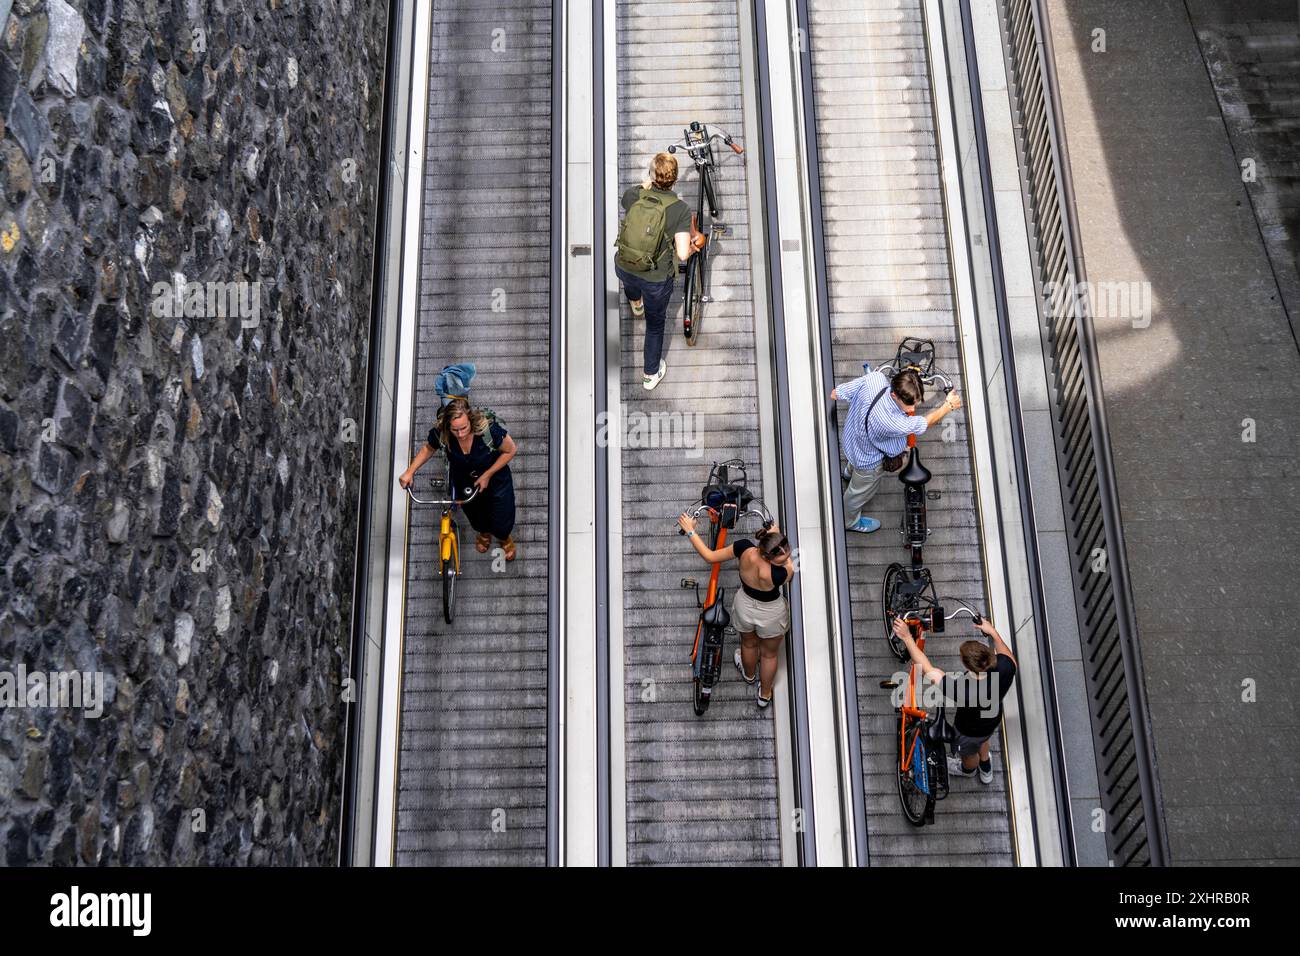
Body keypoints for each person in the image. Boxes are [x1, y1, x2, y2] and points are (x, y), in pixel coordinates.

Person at [676, 514, 795, 708]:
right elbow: (791, 569)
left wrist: (690, 530)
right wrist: (778, 537)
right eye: (782, 557)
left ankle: (749, 675)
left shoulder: (744, 547)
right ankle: (764, 695)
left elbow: (710, 556)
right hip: (771, 613)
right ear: (768, 557)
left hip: (745, 605)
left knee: (748, 644)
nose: (785, 559)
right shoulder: (779, 573)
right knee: (769, 655)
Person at [830, 366, 962, 533]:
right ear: (894, 394)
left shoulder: (875, 379)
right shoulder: (891, 422)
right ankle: (850, 522)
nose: (912, 409)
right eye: (908, 404)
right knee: (856, 494)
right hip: (869, 462)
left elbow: (837, 393)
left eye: (915, 402)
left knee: (853, 467)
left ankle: (848, 474)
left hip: (851, 442)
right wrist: (948, 406)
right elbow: (923, 423)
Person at [614, 152, 705, 391]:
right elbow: (683, 254)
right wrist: (696, 244)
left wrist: (647, 181)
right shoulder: (680, 210)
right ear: (674, 180)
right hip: (655, 278)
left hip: (624, 265)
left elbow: (630, 197)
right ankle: (650, 375)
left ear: (652, 175)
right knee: (655, 326)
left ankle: (636, 305)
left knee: (632, 285)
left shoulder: (634, 195)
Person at [890, 615, 1017, 784]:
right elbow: (1009, 656)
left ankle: (968, 769)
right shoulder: (1005, 667)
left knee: (969, 754)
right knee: (984, 738)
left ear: (968, 667)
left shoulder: (961, 691)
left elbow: (927, 668)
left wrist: (906, 637)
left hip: (967, 733)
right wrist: (992, 632)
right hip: (991, 719)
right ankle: (985, 764)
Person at [399, 397, 520, 561]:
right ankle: (484, 533)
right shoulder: (442, 433)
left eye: (464, 428)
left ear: (470, 420)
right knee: (475, 515)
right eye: (455, 430)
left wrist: (487, 474)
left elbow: (510, 450)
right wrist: (410, 471)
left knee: (501, 520)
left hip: (495, 481)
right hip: (465, 482)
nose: (460, 434)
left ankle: (504, 538)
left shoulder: (488, 431)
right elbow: (429, 448)